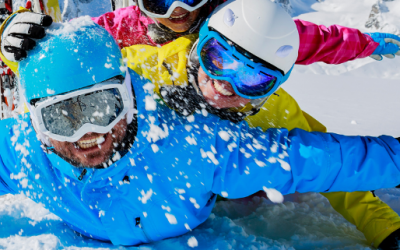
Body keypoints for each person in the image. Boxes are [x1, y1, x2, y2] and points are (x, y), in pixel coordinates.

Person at [2, 16, 400, 246]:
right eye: (60, 119)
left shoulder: (195, 147)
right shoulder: (23, 152)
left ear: (127, 94)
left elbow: (316, 160)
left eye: (105, 108)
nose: (89, 133)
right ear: (34, 122)